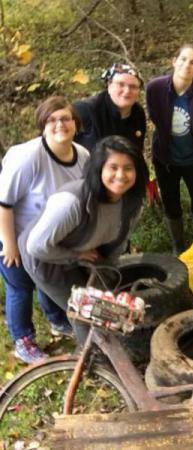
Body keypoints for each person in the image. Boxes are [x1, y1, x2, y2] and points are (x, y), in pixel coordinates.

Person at [18, 135, 148, 342]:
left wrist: (107, 273)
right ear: (99, 169)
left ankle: (113, 349)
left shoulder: (133, 203)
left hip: (87, 251)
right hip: (47, 259)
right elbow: (36, 246)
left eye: (128, 168)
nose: (121, 175)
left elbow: (119, 242)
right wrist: (77, 256)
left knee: (108, 306)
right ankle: (91, 362)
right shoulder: (71, 201)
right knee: (86, 312)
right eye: (113, 167)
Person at [0, 96, 89, 364]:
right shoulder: (29, 157)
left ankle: (56, 320)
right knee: (20, 286)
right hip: (13, 231)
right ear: (42, 125)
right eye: (52, 120)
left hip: (47, 238)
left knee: (46, 278)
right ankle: (23, 339)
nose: (59, 124)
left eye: (65, 118)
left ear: (75, 123)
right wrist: (10, 245)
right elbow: (3, 203)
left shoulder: (82, 156)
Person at [146, 44, 193, 254]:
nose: (187, 65)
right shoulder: (156, 88)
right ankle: (178, 246)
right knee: (171, 203)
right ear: (174, 61)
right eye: (183, 59)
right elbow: (154, 115)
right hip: (165, 160)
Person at [74, 63, 146, 154]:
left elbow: (137, 153)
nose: (127, 91)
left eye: (133, 87)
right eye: (121, 84)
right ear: (109, 85)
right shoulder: (85, 110)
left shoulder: (138, 113)